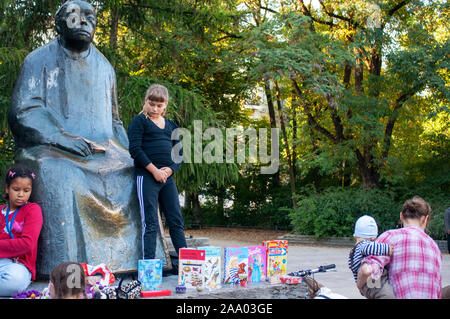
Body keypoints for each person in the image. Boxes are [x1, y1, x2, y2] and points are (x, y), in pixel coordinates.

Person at [8, 0, 157, 275]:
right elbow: (23, 111)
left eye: (91, 17)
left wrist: (133, 153)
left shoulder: (105, 68)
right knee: (57, 171)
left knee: (137, 170)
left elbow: (114, 122)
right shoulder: (38, 60)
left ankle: (143, 261)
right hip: (49, 146)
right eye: (76, 16)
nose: (84, 21)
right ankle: (64, 268)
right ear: (59, 23)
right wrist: (60, 137)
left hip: (102, 147)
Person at [127, 84, 187, 264]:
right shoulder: (140, 121)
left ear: (165, 106)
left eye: (159, 106)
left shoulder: (171, 125)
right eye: (151, 104)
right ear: (145, 102)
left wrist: (169, 170)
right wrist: (154, 171)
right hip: (146, 176)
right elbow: (135, 149)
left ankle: (186, 265)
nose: (154, 109)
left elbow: (179, 154)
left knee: (176, 219)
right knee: (150, 222)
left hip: (166, 178)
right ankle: (149, 266)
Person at [359, 196, 442, 298]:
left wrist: (360, 284)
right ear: (425, 219)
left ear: (401, 216)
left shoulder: (390, 237)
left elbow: (367, 270)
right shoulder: (434, 247)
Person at [0, 164, 43, 297]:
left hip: (18, 266)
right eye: (16, 189)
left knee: (15, 282)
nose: (21, 194)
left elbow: (27, 244)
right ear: (7, 188)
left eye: (26, 190)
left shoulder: (32, 210)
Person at [348, 215, 395, 299]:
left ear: (355, 236)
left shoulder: (353, 252)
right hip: (371, 282)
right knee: (388, 295)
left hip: (366, 286)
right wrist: (388, 249)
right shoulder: (363, 245)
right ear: (373, 238)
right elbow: (371, 247)